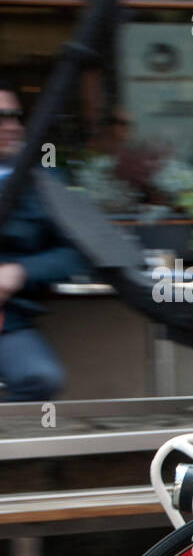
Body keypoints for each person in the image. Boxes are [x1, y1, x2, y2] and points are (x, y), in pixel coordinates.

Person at [0, 78, 86, 402]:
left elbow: (76, 253)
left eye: (15, 115)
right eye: (1, 118)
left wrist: (19, 271)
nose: (12, 126)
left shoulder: (45, 182)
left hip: (7, 323)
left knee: (40, 378)